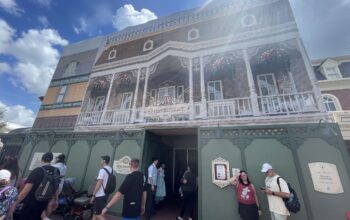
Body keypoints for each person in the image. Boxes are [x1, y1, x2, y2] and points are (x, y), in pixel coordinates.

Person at [9, 152, 60, 220]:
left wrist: (15, 203)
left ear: (42, 160)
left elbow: (26, 190)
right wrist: (56, 200)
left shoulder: (38, 170)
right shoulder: (56, 171)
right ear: (51, 160)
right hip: (44, 202)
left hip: (31, 202)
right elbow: (56, 187)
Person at [42, 154, 67, 220]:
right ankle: (48, 216)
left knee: (48, 200)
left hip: (53, 184)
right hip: (60, 184)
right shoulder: (65, 166)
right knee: (52, 200)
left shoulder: (55, 166)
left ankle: (44, 216)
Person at [90, 155, 112, 220]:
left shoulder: (102, 170)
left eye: (101, 160)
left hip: (100, 195)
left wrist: (93, 195)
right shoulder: (111, 169)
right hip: (106, 194)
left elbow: (98, 183)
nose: (100, 161)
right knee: (95, 214)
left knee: (98, 215)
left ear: (104, 161)